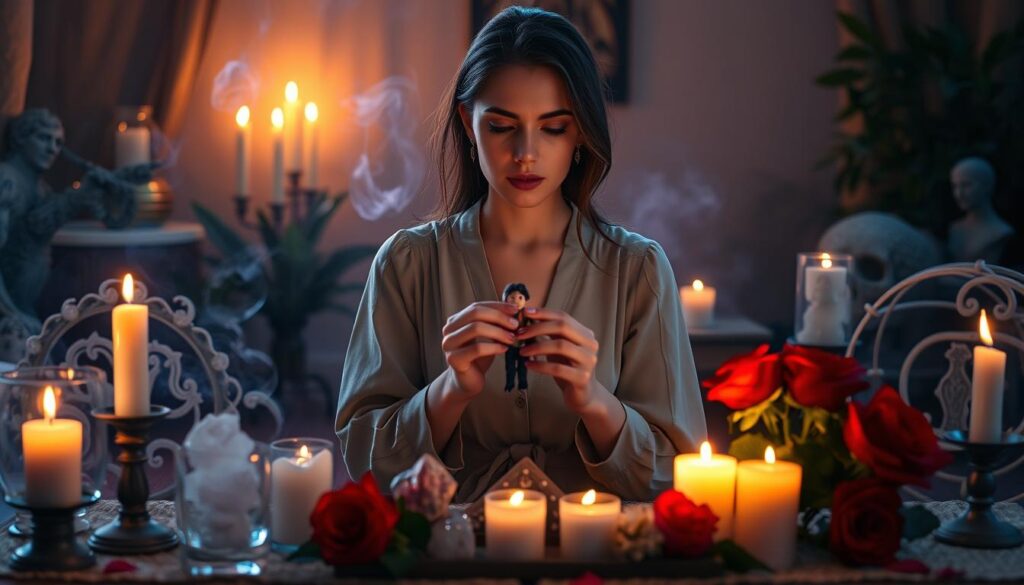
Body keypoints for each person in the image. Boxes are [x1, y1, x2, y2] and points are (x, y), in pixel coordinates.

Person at [336, 6, 706, 502]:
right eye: (501, 126)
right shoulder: (407, 264)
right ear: (469, 124)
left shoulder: (637, 270)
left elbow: (679, 472)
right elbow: (363, 459)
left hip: (593, 544)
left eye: (553, 127)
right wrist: (451, 389)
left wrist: (593, 400)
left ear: (580, 132)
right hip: (451, 544)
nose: (526, 153)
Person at [947, 157, 1015, 264]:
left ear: (987, 186)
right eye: (955, 186)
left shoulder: (1000, 232)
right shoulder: (955, 229)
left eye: (966, 185)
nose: (959, 194)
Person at [502, 282, 532, 392]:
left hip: (523, 345)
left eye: (520, 298)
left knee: (523, 367)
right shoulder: (505, 315)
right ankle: (509, 385)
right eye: (512, 298)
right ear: (506, 299)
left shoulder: (527, 315)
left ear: (525, 299)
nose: (516, 301)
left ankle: (523, 385)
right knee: (510, 367)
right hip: (510, 345)